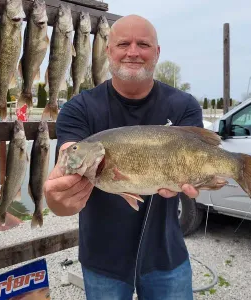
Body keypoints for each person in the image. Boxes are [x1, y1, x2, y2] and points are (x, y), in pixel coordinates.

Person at [44, 14, 203, 300]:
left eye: (143, 44)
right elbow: (69, 155)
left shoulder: (183, 105)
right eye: (123, 44)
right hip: (102, 259)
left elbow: (196, 159)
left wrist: (202, 177)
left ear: (157, 52)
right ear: (108, 51)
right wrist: (58, 196)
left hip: (167, 255)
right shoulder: (78, 109)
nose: (132, 52)